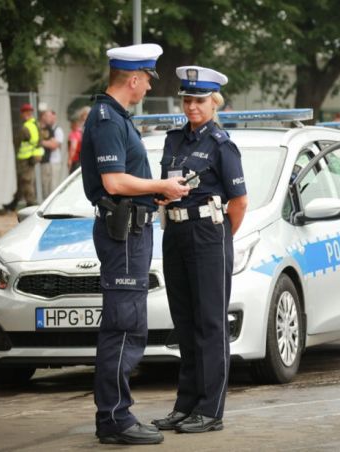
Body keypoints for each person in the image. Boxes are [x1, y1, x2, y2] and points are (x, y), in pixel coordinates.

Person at [80, 43, 190, 445]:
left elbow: (125, 183)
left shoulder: (115, 117)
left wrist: (153, 196)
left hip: (131, 230)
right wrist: (159, 185)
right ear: (133, 78)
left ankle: (117, 414)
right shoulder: (108, 119)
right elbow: (113, 182)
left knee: (129, 325)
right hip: (123, 235)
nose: (147, 87)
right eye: (146, 79)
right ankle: (114, 419)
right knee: (124, 328)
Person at [152, 66, 248, 434]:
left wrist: (219, 238)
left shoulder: (222, 145)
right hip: (174, 233)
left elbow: (238, 202)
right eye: (188, 100)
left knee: (210, 324)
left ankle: (210, 410)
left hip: (208, 236)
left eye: (200, 101)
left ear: (214, 103)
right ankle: (186, 405)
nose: (192, 106)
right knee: (186, 324)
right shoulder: (174, 140)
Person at [3, 103, 43, 211]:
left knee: (26, 180)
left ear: (25, 114)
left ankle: (31, 204)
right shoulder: (35, 124)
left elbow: (17, 142)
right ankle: (14, 203)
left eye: (23, 113)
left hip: (26, 157)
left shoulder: (26, 127)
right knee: (22, 181)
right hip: (32, 156)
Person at [68, 106, 89, 174]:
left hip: (77, 160)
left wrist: (70, 160)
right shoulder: (90, 128)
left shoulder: (76, 132)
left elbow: (73, 147)